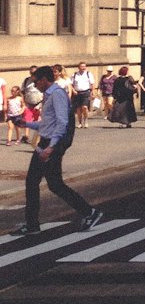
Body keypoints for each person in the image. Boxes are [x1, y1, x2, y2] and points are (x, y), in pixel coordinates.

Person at [9, 66, 104, 236]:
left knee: (39, 182)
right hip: (48, 142)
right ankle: (87, 212)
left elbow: (62, 122)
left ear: (45, 79)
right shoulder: (50, 95)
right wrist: (26, 124)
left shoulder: (57, 94)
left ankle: (87, 212)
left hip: (52, 143)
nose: (34, 84)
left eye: (36, 81)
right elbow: (48, 123)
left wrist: (51, 147)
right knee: (50, 183)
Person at [69, 63, 95, 130]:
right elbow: (71, 84)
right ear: (78, 67)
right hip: (77, 93)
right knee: (78, 109)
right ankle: (80, 123)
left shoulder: (88, 74)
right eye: (82, 66)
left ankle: (85, 120)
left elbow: (92, 84)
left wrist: (93, 92)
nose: (83, 68)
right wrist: (73, 90)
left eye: (84, 66)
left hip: (86, 92)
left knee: (85, 107)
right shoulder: (74, 75)